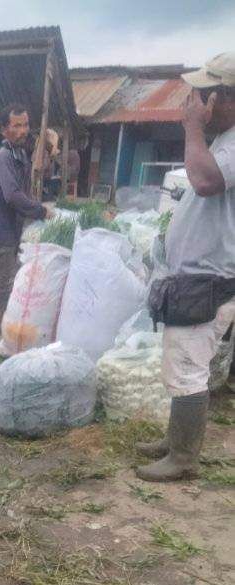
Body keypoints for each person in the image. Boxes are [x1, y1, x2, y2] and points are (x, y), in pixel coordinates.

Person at [135, 52, 235, 482]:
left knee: (189, 366)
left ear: (227, 98)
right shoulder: (223, 142)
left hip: (210, 281)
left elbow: (206, 181)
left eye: (204, 95)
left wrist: (193, 129)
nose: (194, 102)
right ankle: (176, 441)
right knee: (180, 361)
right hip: (199, 278)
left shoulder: (230, 145)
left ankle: (183, 458)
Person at [0, 104, 52, 342]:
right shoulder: (4, 157)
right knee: (7, 281)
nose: (23, 130)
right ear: (4, 130)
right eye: (16, 125)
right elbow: (12, 195)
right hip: (2, 229)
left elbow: (22, 191)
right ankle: (0, 332)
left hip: (9, 227)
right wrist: (40, 210)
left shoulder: (19, 154)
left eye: (26, 125)